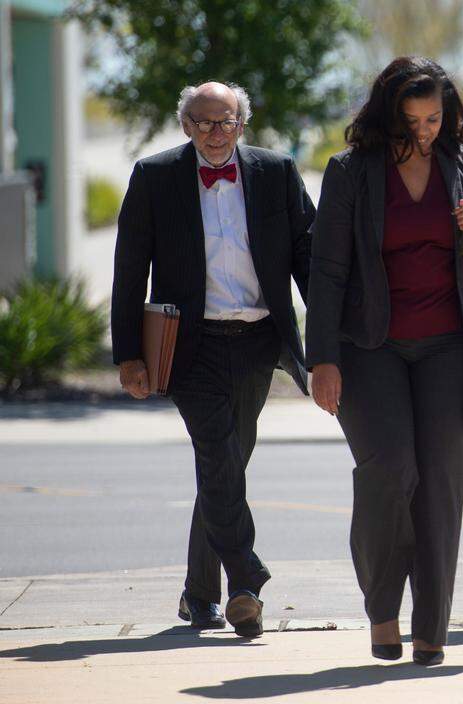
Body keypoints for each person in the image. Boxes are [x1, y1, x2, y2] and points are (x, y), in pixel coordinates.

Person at [306, 56, 463, 666]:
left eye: (435, 117)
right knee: (389, 471)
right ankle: (383, 611)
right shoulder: (351, 172)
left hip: (448, 344)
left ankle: (431, 627)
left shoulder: (462, 163)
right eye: (413, 119)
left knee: (442, 481)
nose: (424, 130)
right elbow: (327, 271)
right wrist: (323, 360)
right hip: (371, 349)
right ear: (389, 113)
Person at [111, 82, 314, 638]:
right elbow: (129, 270)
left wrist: (333, 336)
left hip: (256, 343)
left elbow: (308, 257)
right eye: (202, 123)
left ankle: (199, 595)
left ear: (242, 125)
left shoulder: (277, 172)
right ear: (185, 126)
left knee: (226, 464)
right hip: (188, 345)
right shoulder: (154, 177)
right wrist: (128, 354)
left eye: (225, 123)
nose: (214, 134)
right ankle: (245, 580)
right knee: (217, 453)